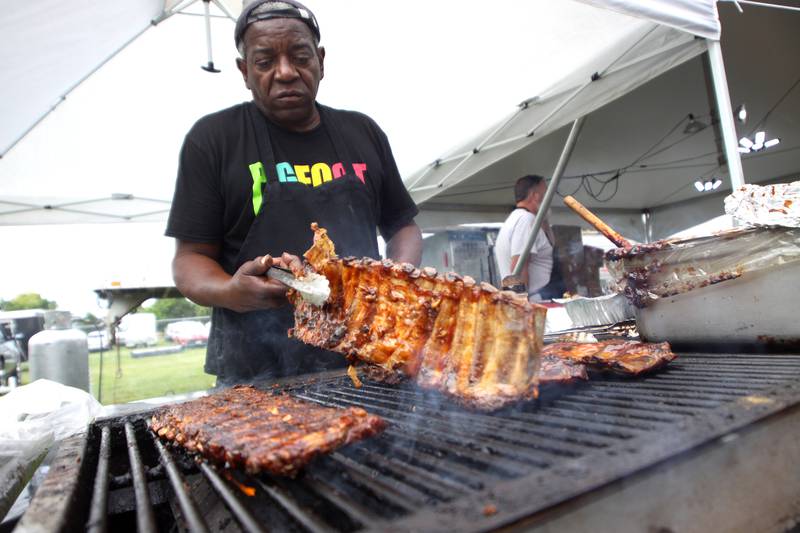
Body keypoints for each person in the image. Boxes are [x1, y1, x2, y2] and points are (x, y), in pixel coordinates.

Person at [165, 0, 423, 385]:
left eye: (300, 56)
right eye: (265, 61)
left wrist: (395, 279)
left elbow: (403, 227)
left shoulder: (362, 132)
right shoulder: (213, 139)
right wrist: (232, 290)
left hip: (363, 356)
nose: (285, 72)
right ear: (244, 70)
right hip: (255, 370)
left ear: (320, 60)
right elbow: (190, 260)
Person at [494, 175, 564, 301]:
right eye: (545, 193)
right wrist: (522, 305)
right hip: (536, 299)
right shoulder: (526, 220)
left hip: (536, 296)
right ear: (535, 195)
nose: (548, 199)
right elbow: (519, 267)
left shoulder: (517, 218)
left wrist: (544, 218)